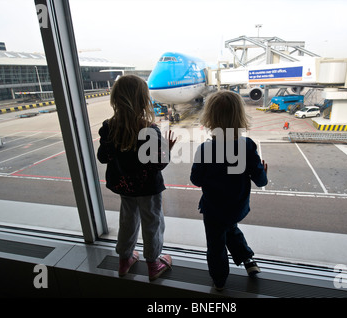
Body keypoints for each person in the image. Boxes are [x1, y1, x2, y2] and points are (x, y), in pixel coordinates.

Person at [97, 75, 177, 281]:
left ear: (116, 100)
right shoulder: (149, 130)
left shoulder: (108, 127)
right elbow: (157, 164)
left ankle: (124, 260)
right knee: (152, 223)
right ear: (143, 101)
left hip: (124, 187)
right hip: (147, 189)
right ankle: (153, 263)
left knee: (128, 220)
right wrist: (167, 149)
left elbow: (103, 157)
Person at [190, 90, 268, 290]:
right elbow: (260, 180)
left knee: (216, 245)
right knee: (231, 228)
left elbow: (196, 180)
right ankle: (248, 261)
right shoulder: (247, 146)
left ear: (209, 119)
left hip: (214, 209)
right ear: (240, 117)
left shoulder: (205, 150)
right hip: (236, 207)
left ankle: (219, 280)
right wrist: (263, 171)